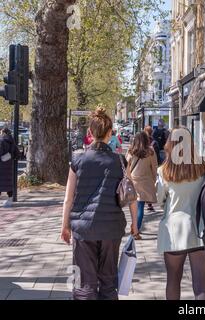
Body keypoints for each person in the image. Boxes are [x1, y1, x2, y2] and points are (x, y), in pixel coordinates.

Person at [60, 106, 138, 300]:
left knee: (85, 283)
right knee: (109, 281)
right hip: (112, 228)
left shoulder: (78, 160)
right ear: (110, 133)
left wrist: (65, 226)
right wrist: (135, 224)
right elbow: (130, 195)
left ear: (90, 133)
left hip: (83, 228)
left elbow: (68, 198)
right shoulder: (120, 161)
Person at [156, 128, 205, 300]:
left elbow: (160, 200)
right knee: (201, 285)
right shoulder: (204, 166)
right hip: (201, 229)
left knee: (173, 280)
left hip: (174, 231)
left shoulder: (164, 171)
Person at [126, 132, 158, 240]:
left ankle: (134, 227)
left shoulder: (131, 151)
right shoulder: (150, 152)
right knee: (140, 207)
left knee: (134, 206)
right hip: (145, 182)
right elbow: (154, 167)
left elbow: (126, 167)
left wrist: (129, 179)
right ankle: (136, 230)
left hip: (133, 181)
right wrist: (154, 180)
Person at [0, 128, 20, 208]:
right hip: (9, 166)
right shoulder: (12, 142)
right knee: (8, 184)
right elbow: (17, 154)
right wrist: (11, 156)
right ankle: (9, 200)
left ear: (3, 132)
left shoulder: (1, 141)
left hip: (1, 166)